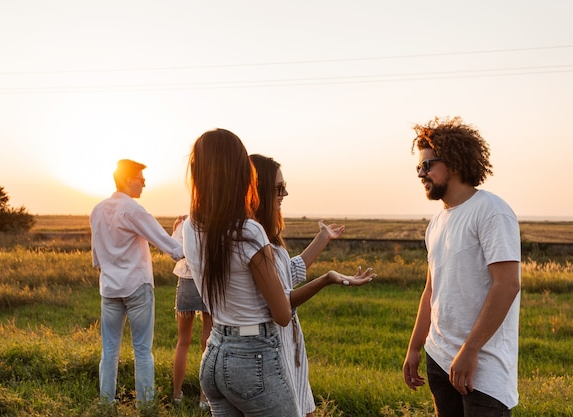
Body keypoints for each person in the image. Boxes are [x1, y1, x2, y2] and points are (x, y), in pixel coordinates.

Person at [402, 117, 521, 417]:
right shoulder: (436, 222)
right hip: (439, 358)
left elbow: (507, 285)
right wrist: (415, 347)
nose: (420, 174)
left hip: (482, 366)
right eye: (418, 167)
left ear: (453, 164)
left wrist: (470, 350)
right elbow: (432, 290)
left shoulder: (492, 211)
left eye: (427, 166)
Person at [182, 128, 300, 416]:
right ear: (240, 173)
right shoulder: (248, 232)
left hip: (214, 351)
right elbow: (282, 314)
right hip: (253, 356)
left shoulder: (190, 227)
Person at [250, 154, 376, 417]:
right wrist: (327, 279)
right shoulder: (254, 243)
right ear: (257, 189)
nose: (284, 193)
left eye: (284, 187)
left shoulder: (269, 240)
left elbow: (290, 273)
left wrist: (322, 238)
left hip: (290, 345)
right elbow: (283, 303)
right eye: (278, 188)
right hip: (274, 347)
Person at [90, 159, 184, 407]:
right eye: (141, 179)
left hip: (109, 288)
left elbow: (97, 258)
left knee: (109, 351)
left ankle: (106, 405)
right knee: (142, 351)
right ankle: (146, 407)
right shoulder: (134, 210)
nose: (144, 183)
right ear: (128, 179)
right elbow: (170, 246)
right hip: (137, 287)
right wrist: (189, 243)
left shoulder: (97, 210)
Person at [170, 215, 212, 410]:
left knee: (182, 341)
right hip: (210, 281)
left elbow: (175, 252)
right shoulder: (218, 220)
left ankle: (177, 394)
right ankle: (205, 398)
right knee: (208, 342)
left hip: (187, 279)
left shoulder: (185, 222)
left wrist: (176, 229)